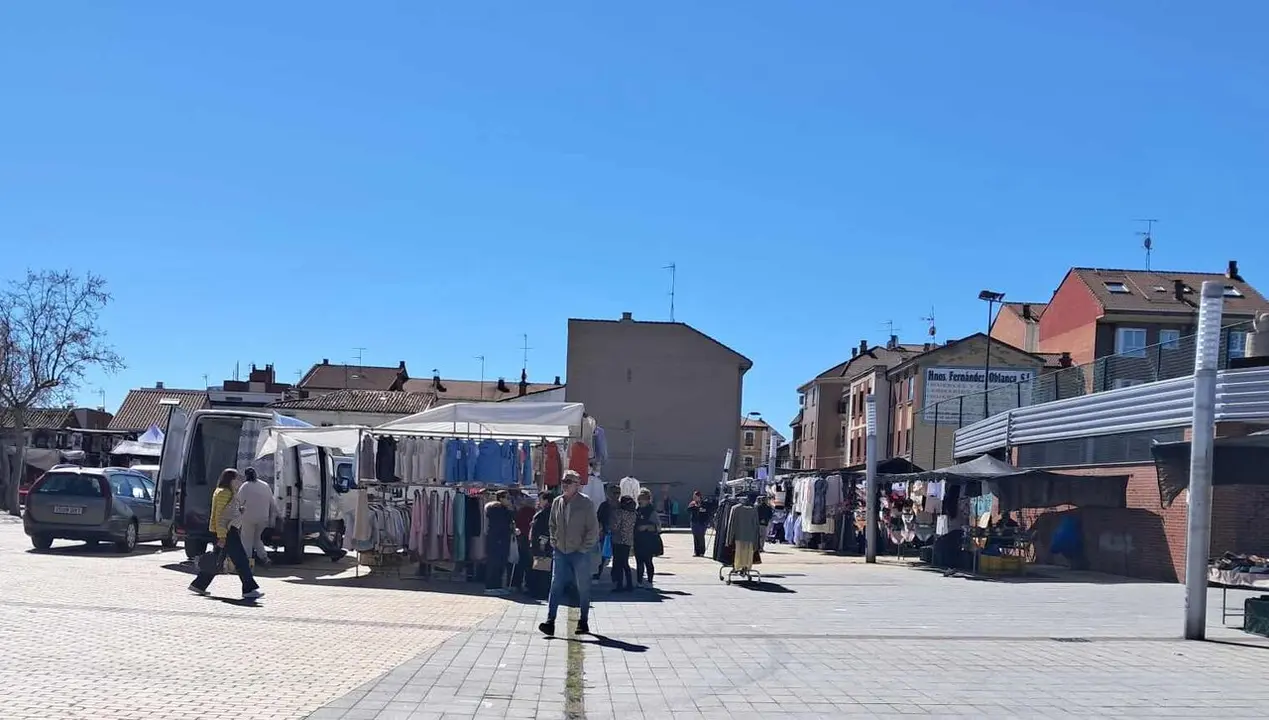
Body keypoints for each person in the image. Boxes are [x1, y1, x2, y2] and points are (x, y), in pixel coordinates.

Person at [539, 470, 599, 637]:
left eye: (569, 481)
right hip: (560, 550)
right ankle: (550, 621)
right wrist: (554, 540)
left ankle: (583, 621)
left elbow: (593, 529)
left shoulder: (586, 503)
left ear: (577, 485)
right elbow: (552, 523)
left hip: (580, 552)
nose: (565, 484)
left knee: (583, 586)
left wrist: (584, 548)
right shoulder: (557, 501)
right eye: (563, 481)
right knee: (556, 585)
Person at [188, 468, 264, 600]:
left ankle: (199, 584)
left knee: (217, 559)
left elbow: (225, 513)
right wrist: (222, 536)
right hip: (227, 532)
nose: (239, 481)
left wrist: (238, 511)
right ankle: (249, 589)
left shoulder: (221, 491)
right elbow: (221, 516)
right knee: (241, 560)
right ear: (231, 480)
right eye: (237, 479)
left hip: (223, 531)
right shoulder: (225, 493)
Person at [237, 467, 279, 567]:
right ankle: (265, 558)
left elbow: (239, 501)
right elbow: (272, 503)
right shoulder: (265, 485)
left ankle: (247, 561)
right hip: (263, 518)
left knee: (246, 539)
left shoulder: (245, 486)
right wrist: (274, 516)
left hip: (248, 517)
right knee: (257, 538)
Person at [484, 490, 515, 596]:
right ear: (501, 498)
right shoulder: (498, 510)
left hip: (498, 540)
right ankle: (492, 586)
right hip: (498, 540)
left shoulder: (501, 510)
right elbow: (502, 526)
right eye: (507, 498)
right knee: (495, 564)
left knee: (499, 563)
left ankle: (496, 586)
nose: (509, 500)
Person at [527, 491, 554, 599]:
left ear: (546, 500)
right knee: (540, 568)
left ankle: (540, 592)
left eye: (541, 499)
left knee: (542, 569)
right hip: (540, 544)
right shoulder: (544, 511)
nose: (539, 501)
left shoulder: (547, 513)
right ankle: (539, 590)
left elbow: (545, 530)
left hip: (542, 545)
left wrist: (542, 544)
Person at [633, 488, 662, 588]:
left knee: (648, 561)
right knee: (639, 562)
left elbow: (658, 527)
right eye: (639, 499)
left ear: (648, 500)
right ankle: (639, 581)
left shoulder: (651, 512)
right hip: (638, 540)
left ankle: (650, 581)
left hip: (648, 540)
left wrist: (646, 527)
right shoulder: (637, 510)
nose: (640, 501)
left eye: (642, 499)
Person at [610, 495, 636, 592]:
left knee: (618, 563)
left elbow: (615, 527)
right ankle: (629, 584)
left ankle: (619, 584)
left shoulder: (619, 513)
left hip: (618, 540)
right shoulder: (633, 514)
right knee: (625, 563)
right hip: (628, 541)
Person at [593, 485, 619, 580]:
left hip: (617, 535)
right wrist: (600, 530)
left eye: (618, 493)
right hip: (605, 533)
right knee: (602, 556)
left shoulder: (621, 506)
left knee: (617, 556)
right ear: (609, 494)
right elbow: (598, 518)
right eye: (614, 493)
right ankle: (598, 573)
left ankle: (615, 575)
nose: (616, 495)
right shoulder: (604, 505)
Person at [511, 493, 535, 592]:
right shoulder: (532, 512)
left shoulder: (521, 511)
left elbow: (517, 523)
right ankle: (528, 584)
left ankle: (516, 583)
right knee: (528, 563)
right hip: (528, 539)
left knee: (520, 562)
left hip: (521, 538)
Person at [688, 490, 711, 557]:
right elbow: (688, 510)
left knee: (701, 537)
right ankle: (696, 552)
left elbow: (708, 512)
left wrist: (707, 521)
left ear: (699, 497)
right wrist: (694, 506)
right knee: (695, 537)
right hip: (694, 522)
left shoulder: (704, 503)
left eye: (695, 497)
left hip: (702, 523)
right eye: (694, 497)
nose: (694, 498)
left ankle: (702, 552)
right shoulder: (692, 503)